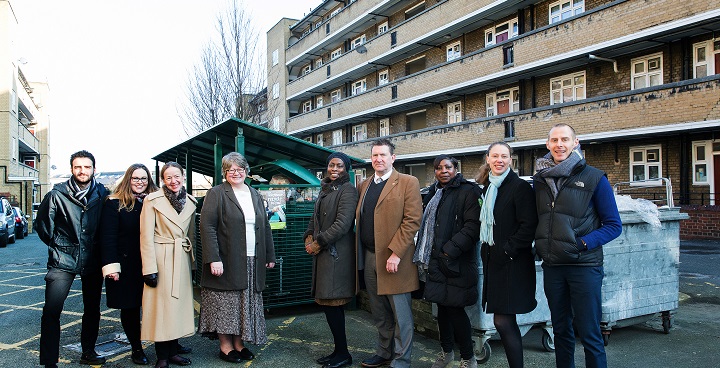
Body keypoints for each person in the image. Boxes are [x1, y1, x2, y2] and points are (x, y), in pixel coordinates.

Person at [533, 124, 622, 368]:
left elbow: (614, 225)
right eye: (554, 140)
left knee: (590, 332)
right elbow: (539, 219)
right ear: (547, 144)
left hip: (584, 266)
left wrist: (582, 243)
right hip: (553, 266)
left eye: (564, 139)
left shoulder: (594, 177)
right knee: (561, 330)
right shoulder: (540, 180)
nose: (559, 144)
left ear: (576, 143)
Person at [198, 152, 276, 364]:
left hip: (253, 259)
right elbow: (207, 227)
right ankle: (225, 347)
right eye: (231, 169)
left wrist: (270, 254)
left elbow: (265, 226)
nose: (236, 172)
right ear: (225, 172)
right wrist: (213, 258)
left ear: (246, 171)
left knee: (245, 304)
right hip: (226, 259)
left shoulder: (255, 194)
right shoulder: (216, 193)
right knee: (227, 305)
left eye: (240, 169)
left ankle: (239, 344)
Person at [36, 150, 109, 368]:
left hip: (94, 259)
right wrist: (60, 246)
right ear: (71, 169)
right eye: (78, 167)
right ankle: (49, 361)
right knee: (51, 310)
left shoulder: (102, 195)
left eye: (87, 167)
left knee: (92, 309)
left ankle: (88, 352)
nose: (82, 171)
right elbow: (43, 228)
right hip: (63, 260)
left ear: (94, 169)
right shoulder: (56, 195)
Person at [356, 139, 422, 368]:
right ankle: (384, 353)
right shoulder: (364, 185)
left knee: (401, 314)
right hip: (369, 256)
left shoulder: (407, 182)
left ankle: (402, 360)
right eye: (375, 155)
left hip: (395, 259)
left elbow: (412, 221)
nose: (378, 159)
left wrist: (396, 253)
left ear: (393, 158)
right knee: (379, 311)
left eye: (383, 155)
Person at [414, 155, 481, 368]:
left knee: (455, 310)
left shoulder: (469, 191)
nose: (443, 171)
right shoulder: (433, 192)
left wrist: (448, 251)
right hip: (436, 261)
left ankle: (468, 358)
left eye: (448, 167)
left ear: (456, 168)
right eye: (439, 168)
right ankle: (446, 353)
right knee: (441, 310)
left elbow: (472, 227)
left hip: (456, 261)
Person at [477, 143, 539, 368]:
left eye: (504, 156)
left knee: (503, 321)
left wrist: (507, 250)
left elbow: (528, 225)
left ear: (511, 159)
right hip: (494, 263)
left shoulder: (519, 187)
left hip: (512, 264)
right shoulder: (488, 187)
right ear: (488, 158)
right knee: (504, 320)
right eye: (495, 156)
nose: (499, 160)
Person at [99, 163, 159, 365]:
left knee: (159, 306)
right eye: (136, 178)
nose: (140, 182)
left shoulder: (155, 202)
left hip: (152, 262)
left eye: (144, 179)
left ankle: (168, 346)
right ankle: (136, 348)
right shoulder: (114, 203)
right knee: (130, 308)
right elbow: (107, 237)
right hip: (126, 265)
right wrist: (111, 266)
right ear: (128, 180)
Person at [303, 152, 359, 368]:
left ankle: (343, 354)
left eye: (340, 166)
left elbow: (343, 224)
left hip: (337, 256)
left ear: (346, 169)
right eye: (331, 165)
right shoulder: (326, 188)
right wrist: (309, 235)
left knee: (333, 304)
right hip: (325, 254)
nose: (335, 169)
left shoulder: (348, 190)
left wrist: (318, 242)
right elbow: (314, 217)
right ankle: (338, 351)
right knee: (328, 304)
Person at [140, 162, 197, 368]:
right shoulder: (152, 200)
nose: (174, 181)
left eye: (177, 176)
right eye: (168, 178)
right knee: (161, 309)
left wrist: (193, 264)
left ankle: (173, 351)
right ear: (163, 180)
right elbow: (145, 236)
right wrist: (149, 269)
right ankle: (162, 357)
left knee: (177, 309)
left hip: (181, 258)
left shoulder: (191, 201)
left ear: (183, 177)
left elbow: (190, 235)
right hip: (160, 258)